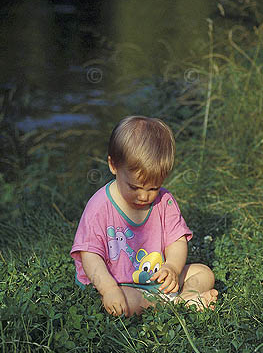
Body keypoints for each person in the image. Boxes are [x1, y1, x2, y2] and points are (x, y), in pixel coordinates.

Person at [71, 116, 218, 316]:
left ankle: (181, 300)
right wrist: (108, 289)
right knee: (125, 302)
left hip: (155, 278)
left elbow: (177, 240)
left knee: (204, 273)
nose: (143, 196)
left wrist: (172, 268)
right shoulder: (99, 208)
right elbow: (90, 256)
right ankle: (181, 304)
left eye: (153, 188)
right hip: (118, 282)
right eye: (134, 187)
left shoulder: (164, 201)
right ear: (113, 165)